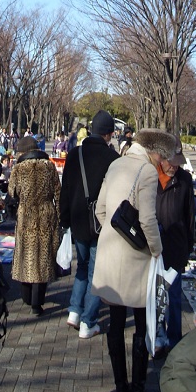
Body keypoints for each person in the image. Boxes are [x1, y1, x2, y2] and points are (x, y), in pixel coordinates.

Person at [91, 128, 176, 392]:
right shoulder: (147, 173)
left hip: (109, 255)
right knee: (141, 324)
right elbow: (149, 221)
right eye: (164, 158)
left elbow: (100, 209)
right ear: (156, 153)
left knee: (115, 325)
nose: (164, 164)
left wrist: (114, 233)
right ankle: (138, 391)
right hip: (137, 260)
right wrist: (156, 252)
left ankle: (120, 390)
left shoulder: (116, 163)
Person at [59, 110, 120, 339]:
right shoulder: (113, 159)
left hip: (77, 221)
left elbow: (65, 190)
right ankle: (88, 322)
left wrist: (65, 220)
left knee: (82, 267)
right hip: (100, 224)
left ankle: (74, 311)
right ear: (109, 134)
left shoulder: (74, 154)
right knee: (97, 272)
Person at [7, 136, 61, 316]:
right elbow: (58, 192)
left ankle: (26, 296)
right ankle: (37, 304)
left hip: (27, 216)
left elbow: (12, 192)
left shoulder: (18, 169)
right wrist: (60, 217)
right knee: (43, 258)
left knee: (26, 256)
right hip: (46, 214)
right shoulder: (49, 166)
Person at [154, 135, 195, 355]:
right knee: (157, 297)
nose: (174, 167)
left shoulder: (185, 180)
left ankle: (175, 341)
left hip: (177, 245)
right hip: (154, 247)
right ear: (161, 158)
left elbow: (189, 215)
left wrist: (189, 246)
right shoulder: (149, 177)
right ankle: (159, 338)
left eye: (178, 162)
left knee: (175, 297)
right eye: (171, 161)